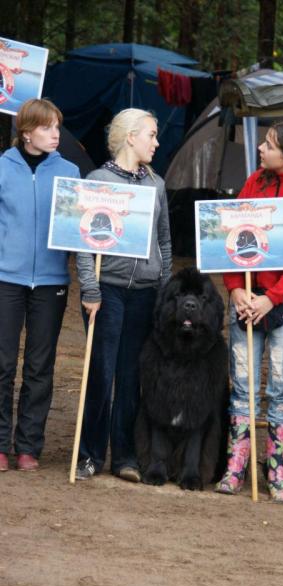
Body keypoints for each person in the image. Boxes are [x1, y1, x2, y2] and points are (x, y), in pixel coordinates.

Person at [215, 118, 283, 502]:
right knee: (243, 386)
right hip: (247, 298)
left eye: (269, 144)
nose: (261, 148)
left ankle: (276, 469)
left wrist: (273, 297)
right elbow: (231, 237)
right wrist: (234, 290)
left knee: (281, 390)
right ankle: (236, 465)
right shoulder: (255, 183)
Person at [75, 108, 172, 482]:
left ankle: (125, 456)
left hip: (145, 293)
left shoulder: (157, 185)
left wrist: (164, 290)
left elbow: (163, 240)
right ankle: (89, 455)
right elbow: (83, 242)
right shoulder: (98, 180)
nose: (157, 142)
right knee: (101, 371)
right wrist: (90, 287)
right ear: (131, 137)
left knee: (132, 377)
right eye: (152, 134)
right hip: (108, 290)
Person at [0, 98, 80, 472]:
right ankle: (0, 444)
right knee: (1, 364)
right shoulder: (2, 167)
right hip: (6, 280)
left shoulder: (71, 173)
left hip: (51, 282)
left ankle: (28, 446)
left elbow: (81, 229)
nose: (55, 134)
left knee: (39, 366)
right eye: (47, 127)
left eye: (58, 127)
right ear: (26, 131)